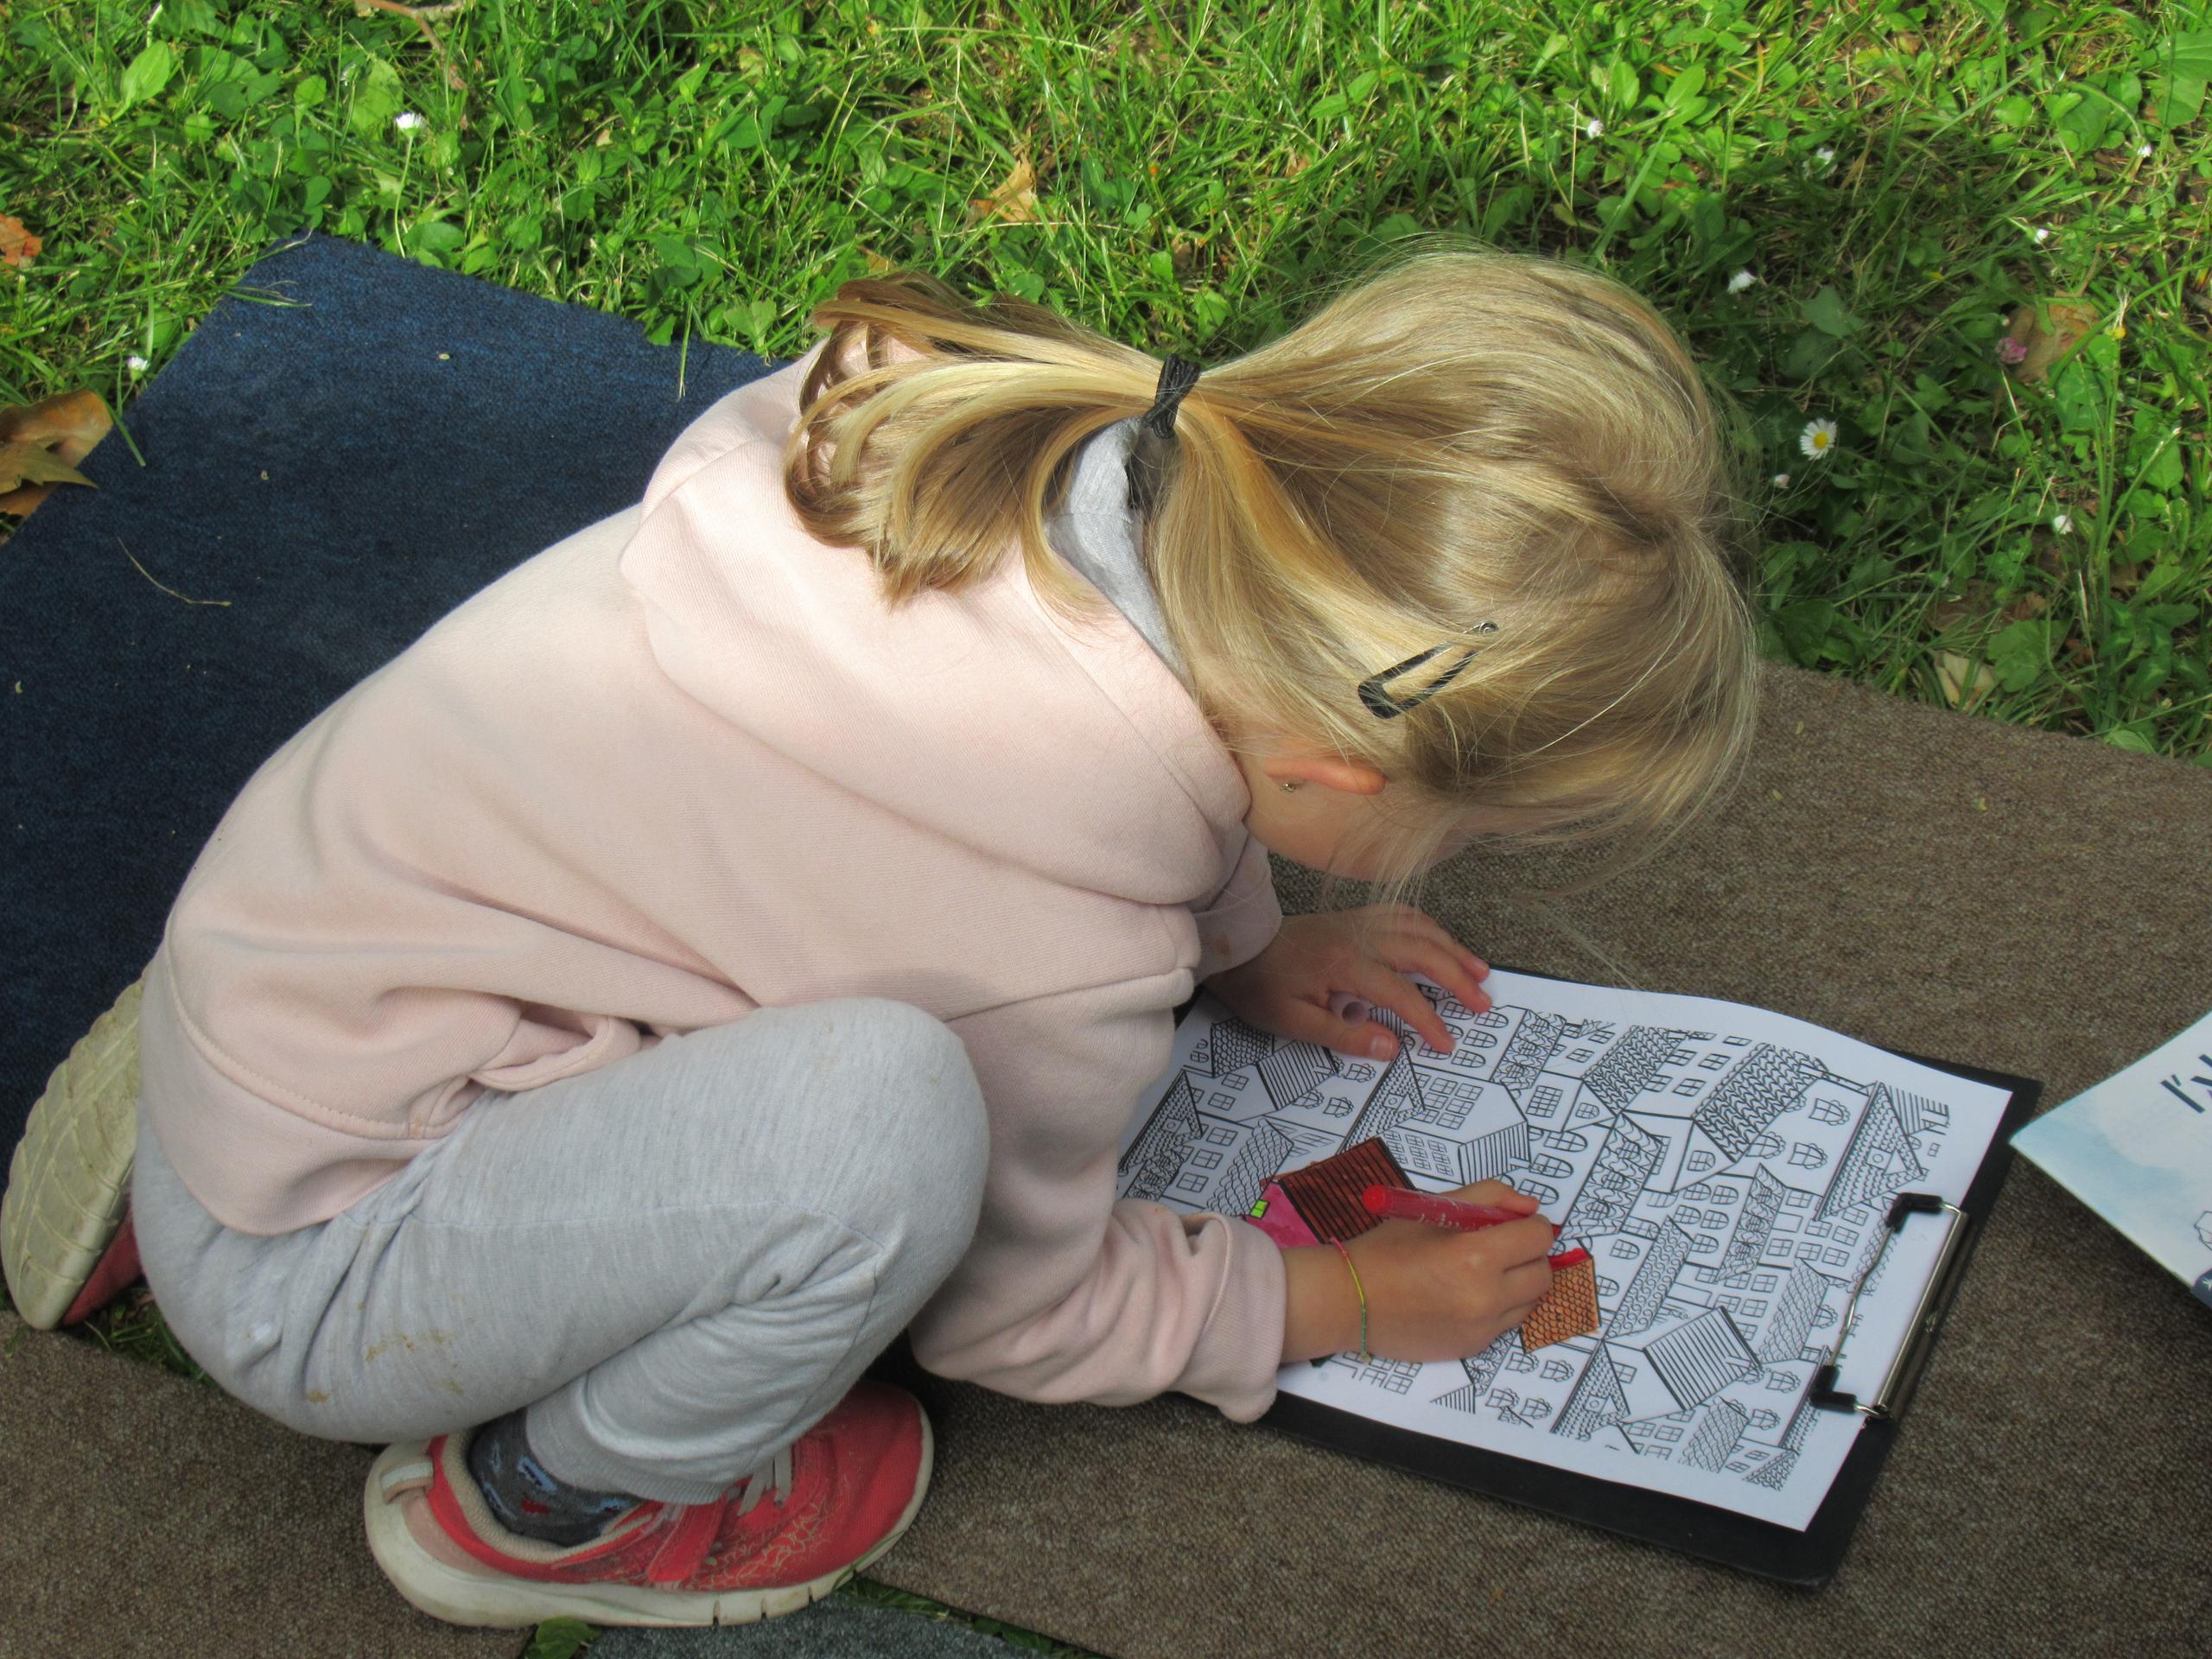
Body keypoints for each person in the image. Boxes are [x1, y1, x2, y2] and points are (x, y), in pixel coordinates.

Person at [123, 238, 1758, 1629]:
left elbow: (1167, 752)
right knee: (877, 1129)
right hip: (328, 1267)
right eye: (1456, 829)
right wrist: (1336, 1308)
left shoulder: (1051, 469)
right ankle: (536, 1506)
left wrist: (1239, 950)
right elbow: (1014, 1311)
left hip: (281, 979)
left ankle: (178, 1152)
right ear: (1334, 766)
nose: (1442, 858)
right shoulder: (1047, 937)